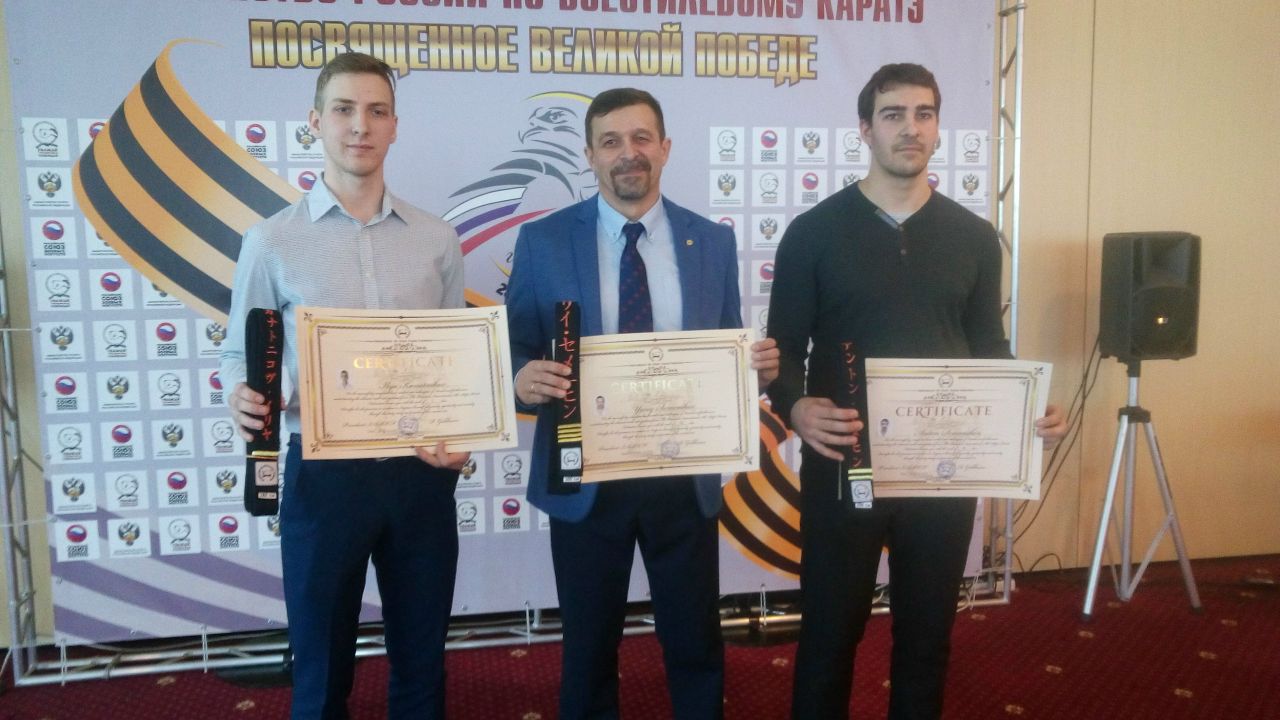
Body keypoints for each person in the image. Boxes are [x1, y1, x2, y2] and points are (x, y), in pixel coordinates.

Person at [765, 63, 1067, 720]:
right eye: (894, 114)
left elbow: (987, 345)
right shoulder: (813, 234)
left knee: (927, 637)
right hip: (844, 464)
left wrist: (1023, 408)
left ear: (937, 126)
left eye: (923, 113)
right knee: (829, 634)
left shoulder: (974, 237)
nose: (911, 128)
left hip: (942, 470)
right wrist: (795, 405)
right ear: (865, 129)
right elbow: (782, 350)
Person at [505, 87, 779, 720]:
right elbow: (513, 345)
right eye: (610, 141)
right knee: (588, 646)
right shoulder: (543, 241)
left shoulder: (711, 241)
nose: (627, 153)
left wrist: (757, 373)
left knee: (695, 641)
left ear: (665, 147)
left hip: (683, 477)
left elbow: (727, 347)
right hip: (585, 476)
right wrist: (520, 377)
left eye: (640, 138)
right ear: (589, 155)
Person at [219, 52, 468, 720]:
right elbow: (238, 355)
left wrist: (464, 428)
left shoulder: (437, 239)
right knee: (321, 667)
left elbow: (456, 359)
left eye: (377, 111)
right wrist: (241, 393)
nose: (361, 125)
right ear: (315, 122)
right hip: (322, 475)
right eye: (344, 109)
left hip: (419, 475)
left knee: (422, 659)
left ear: (394, 126)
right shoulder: (271, 240)